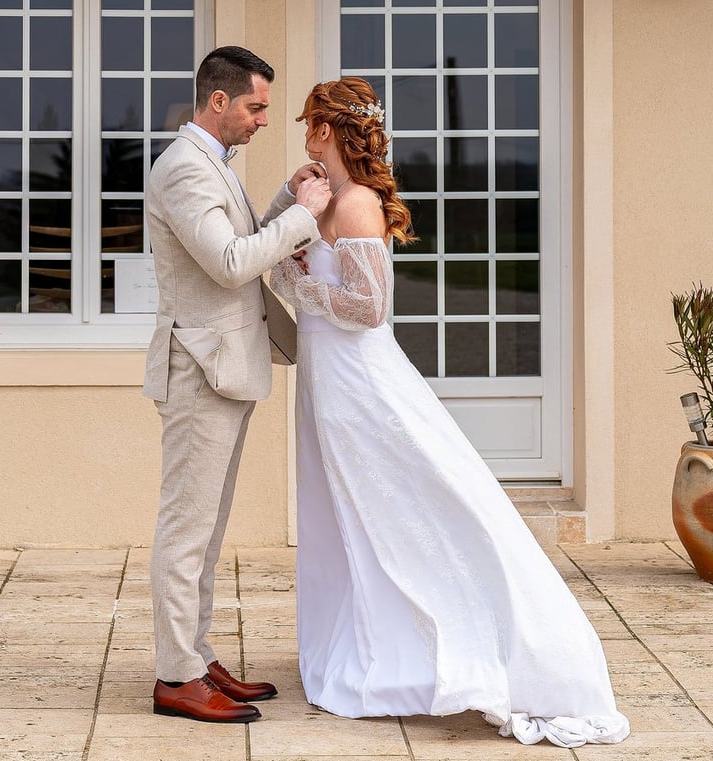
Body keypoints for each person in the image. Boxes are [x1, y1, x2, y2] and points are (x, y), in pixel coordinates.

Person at [270, 77, 631, 748]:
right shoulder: (327, 197)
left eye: (309, 124)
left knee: (409, 509)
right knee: (349, 515)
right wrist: (295, 212)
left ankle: (499, 650)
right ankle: (372, 642)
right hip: (329, 382)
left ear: (328, 130)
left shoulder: (356, 205)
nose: (304, 135)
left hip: (361, 383)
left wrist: (299, 282)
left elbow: (368, 308)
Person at [142, 46, 331, 724]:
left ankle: (196, 653)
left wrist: (285, 196)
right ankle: (176, 676)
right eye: (255, 107)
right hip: (200, 368)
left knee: (208, 528)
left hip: (225, 364)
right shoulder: (184, 168)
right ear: (217, 101)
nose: (260, 120)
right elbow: (228, 263)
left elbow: (242, 234)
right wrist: (305, 215)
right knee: (186, 528)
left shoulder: (210, 164)